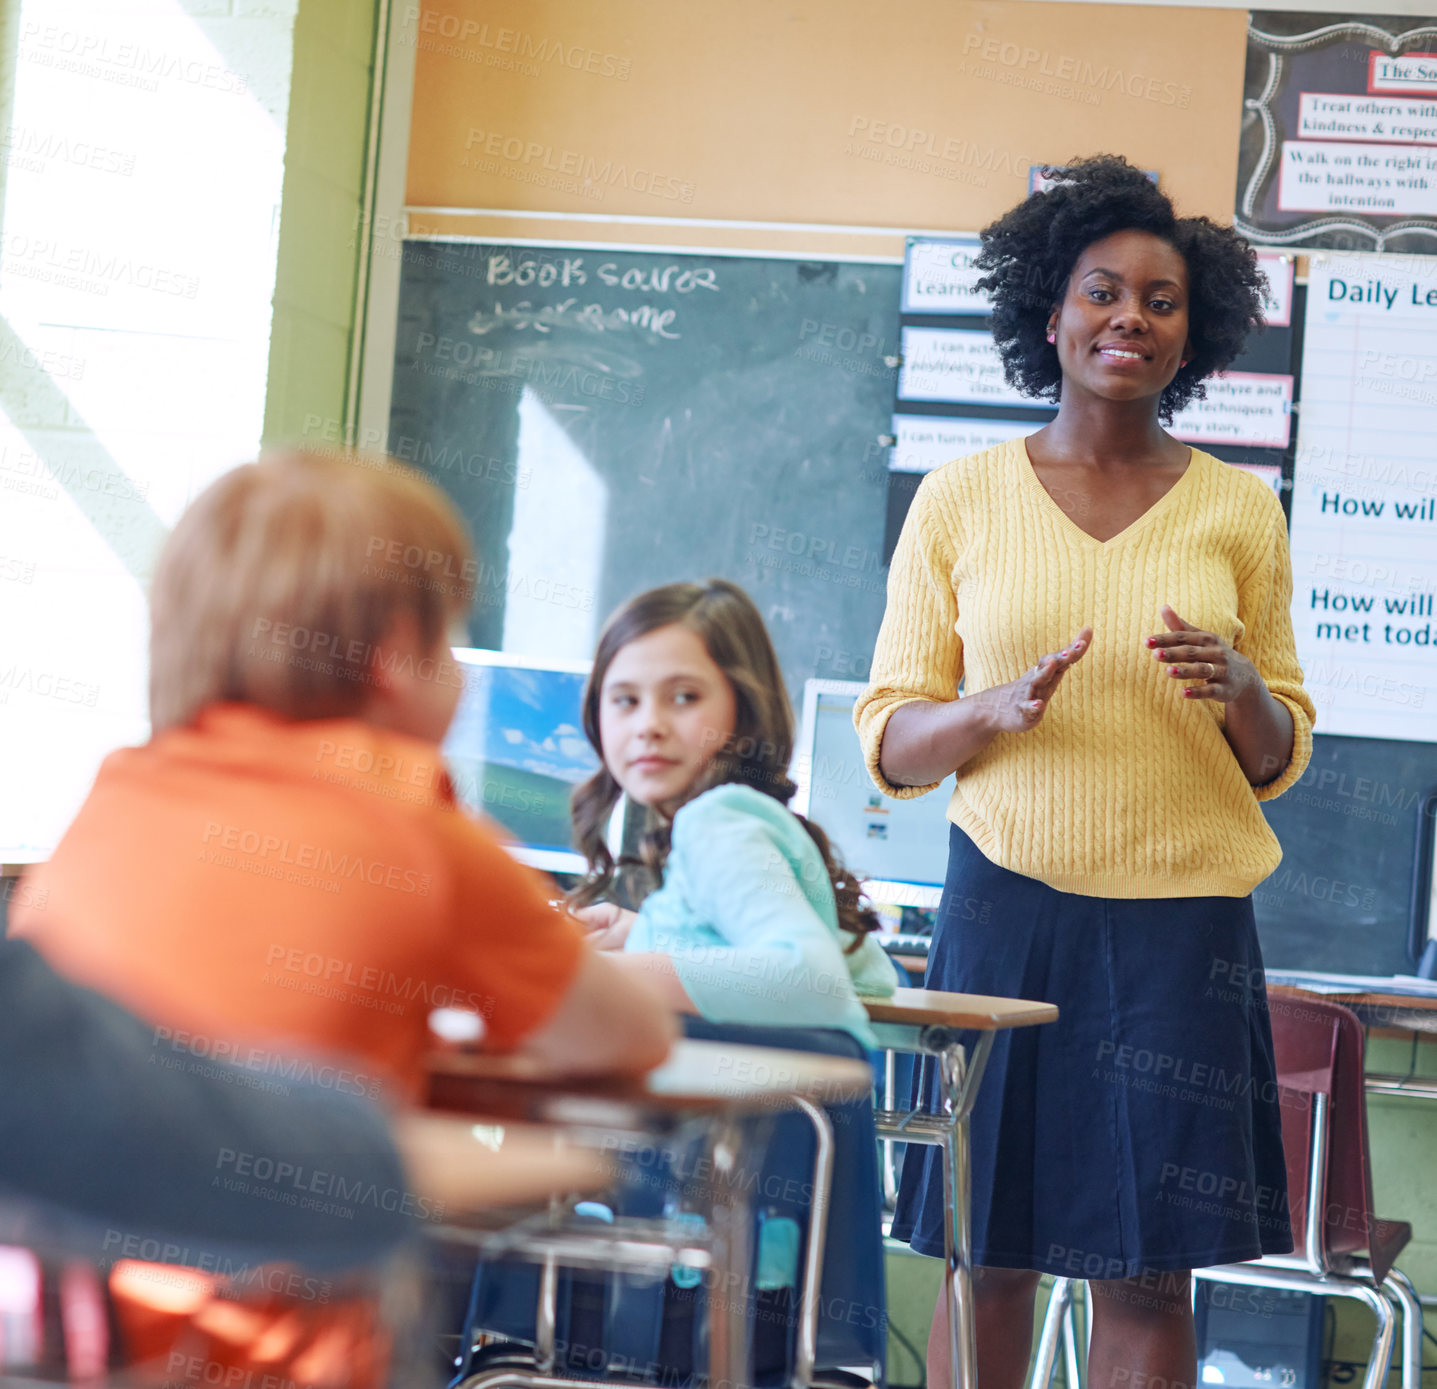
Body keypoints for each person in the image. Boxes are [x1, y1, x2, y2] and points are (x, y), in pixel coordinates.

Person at [855, 156, 1314, 1389]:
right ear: (1046, 314)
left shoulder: (1238, 511)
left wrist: (1245, 693)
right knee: (986, 1252)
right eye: (1101, 292)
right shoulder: (959, 500)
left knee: (1148, 1267)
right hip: (1007, 908)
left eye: (1161, 301)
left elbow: (1279, 755)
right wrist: (985, 712)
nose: (1130, 319)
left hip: (1184, 929)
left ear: (1194, 331)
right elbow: (891, 737)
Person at [11, 451, 674, 1099]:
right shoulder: (417, 826)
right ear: (391, 657)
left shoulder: (119, 797)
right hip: (255, 1205)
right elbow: (628, 1038)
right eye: (447, 637)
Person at [567, 579, 900, 1048]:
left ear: (742, 709)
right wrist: (646, 934)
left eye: (684, 697)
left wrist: (584, 972)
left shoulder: (717, 823)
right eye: (625, 700)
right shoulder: (746, 818)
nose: (648, 726)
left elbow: (809, 981)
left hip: (733, 1120)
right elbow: (873, 977)